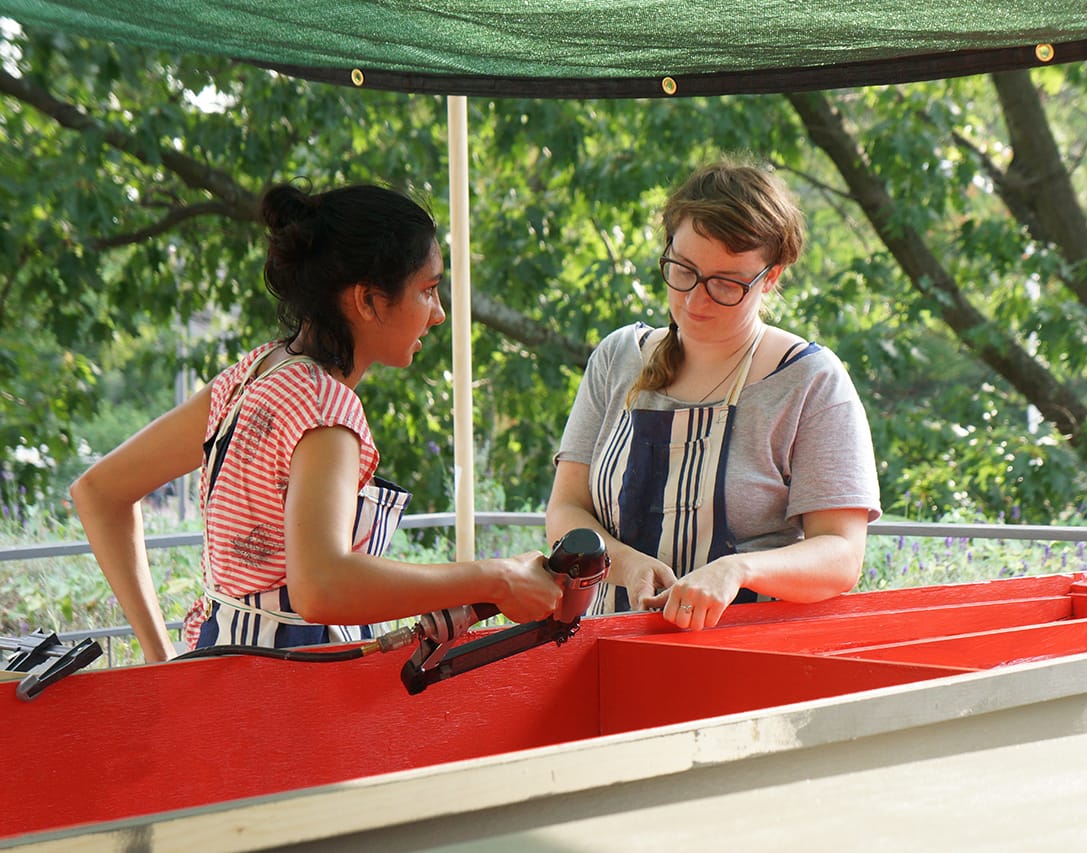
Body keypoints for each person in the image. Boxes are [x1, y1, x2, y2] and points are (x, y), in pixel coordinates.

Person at [71, 182, 562, 662]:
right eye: (427, 290)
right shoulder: (328, 410)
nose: (437, 314)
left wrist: (160, 660)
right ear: (367, 301)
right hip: (291, 695)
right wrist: (496, 578)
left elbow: (98, 493)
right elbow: (322, 586)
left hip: (214, 664)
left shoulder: (250, 377)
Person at [546, 160, 881, 630]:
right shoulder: (618, 358)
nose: (695, 300)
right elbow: (564, 510)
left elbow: (842, 554)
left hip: (743, 659)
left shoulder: (810, 381)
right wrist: (627, 564)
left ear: (771, 277)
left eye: (726, 283)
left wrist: (737, 570)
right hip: (602, 639)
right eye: (682, 270)